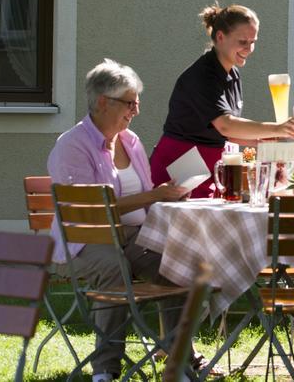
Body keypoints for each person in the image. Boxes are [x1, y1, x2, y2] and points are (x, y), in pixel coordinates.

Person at [47, 59, 197, 382]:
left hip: (133, 235)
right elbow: (88, 210)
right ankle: (106, 369)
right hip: (84, 240)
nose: (136, 111)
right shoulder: (72, 146)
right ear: (104, 102)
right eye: (130, 103)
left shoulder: (131, 142)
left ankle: (179, 360)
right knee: (115, 267)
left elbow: (145, 196)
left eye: (137, 103)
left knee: (178, 263)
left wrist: (167, 193)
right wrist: (152, 197)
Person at [150, 3, 294, 197]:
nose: (249, 49)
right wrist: (277, 127)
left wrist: (262, 140)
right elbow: (225, 125)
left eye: (253, 41)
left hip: (208, 169)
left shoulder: (232, 73)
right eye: (243, 42)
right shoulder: (202, 75)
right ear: (220, 37)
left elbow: (224, 133)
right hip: (177, 171)